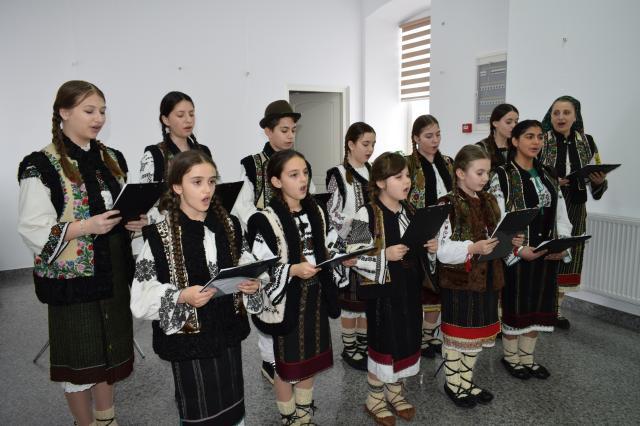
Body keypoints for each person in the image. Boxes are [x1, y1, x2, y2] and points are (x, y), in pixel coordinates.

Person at [18, 80, 145, 426]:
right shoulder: (40, 165)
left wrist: (135, 220)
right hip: (73, 279)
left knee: (110, 350)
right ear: (64, 112)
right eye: (90, 111)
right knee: (79, 356)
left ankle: (107, 419)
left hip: (114, 270)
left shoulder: (111, 158)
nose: (99, 118)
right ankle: (85, 424)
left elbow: (117, 208)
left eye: (102, 111)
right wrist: (85, 227)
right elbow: (33, 227)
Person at [131, 150, 263, 425]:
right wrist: (180, 296)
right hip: (189, 340)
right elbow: (141, 298)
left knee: (232, 406)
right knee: (200, 409)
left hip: (227, 331)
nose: (207, 189)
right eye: (197, 182)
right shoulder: (160, 236)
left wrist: (252, 281)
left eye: (212, 182)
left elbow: (246, 259)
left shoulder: (229, 225)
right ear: (177, 186)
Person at [247, 149, 343, 425]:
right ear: (276, 181)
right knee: (286, 366)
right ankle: (289, 417)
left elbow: (329, 244)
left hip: (315, 297)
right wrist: (291, 270)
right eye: (293, 175)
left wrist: (342, 258)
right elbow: (259, 267)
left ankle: (304, 412)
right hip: (286, 303)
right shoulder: (264, 220)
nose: (303, 180)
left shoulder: (317, 211)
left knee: (310, 360)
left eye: (305, 173)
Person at [346, 152, 437, 426]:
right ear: (382, 182)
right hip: (383, 294)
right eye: (399, 177)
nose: (407, 181)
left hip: (409, 290)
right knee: (385, 342)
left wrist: (431, 248)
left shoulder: (410, 211)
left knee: (408, 339)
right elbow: (351, 257)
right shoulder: (366, 214)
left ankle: (395, 392)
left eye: (408, 175)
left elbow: (418, 248)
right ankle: (374, 398)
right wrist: (385, 255)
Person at [231, 99, 316, 384]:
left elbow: (310, 196)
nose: (290, 135)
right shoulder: (252, 165)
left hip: (297, 241)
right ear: (268, 132)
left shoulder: (301, 162)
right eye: (283, 129)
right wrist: (266, 224)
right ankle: (270, 360)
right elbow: (242, 207)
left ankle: (295, 353)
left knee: (294, 301)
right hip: (265, 243)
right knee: (269, 299)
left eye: (293, 129)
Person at [436, 145, 522, 408]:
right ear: (460, 173)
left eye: (487, 172)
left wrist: (511, 241)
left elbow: (496, 236)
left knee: (475, 337)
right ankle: (453, 383)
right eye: (480, 172)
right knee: (459, 336)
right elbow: (442, 250)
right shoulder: (446, 204)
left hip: (488, 280)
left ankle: (465, 379)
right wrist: (471, 248)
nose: (485, 178)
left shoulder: (489, 200)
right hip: (460, 283)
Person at [489, 120, 572, 380]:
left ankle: (528, 357)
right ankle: (511, 357)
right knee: (518, 305)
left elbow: (560, 213)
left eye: (539, 137)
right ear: (514, 141)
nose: (536, 142)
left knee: (540, 306)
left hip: (546, 252)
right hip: (518, 254)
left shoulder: (547, 173)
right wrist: (516, 252)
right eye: (528, 136)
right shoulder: (501, 175)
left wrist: (563, 244)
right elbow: (496, 220)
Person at [539, 95, 608, 329]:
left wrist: (598, 181)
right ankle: (540, 308)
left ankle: (556, 311)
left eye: (566, 112)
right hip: (548, 206)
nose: (560, 117)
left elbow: (597, 174)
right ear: (550, 115)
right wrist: (551, 182)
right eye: (556, 112)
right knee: (546, 255)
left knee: (569, 259)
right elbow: (530, 173)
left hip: (576, 206)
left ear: (575, 116)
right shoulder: (541, 140)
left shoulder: (588, 142)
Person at [325, 122, 376, 371]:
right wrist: (359, 232)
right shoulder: (337, 174)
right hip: (348, 247)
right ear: (351, 144)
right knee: (351, 303)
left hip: (371, 247)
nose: (370, 149)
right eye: (365, 144)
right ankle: (349, 347)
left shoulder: (373, 171)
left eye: (373, 145)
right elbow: (333, 213)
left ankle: (364, 344)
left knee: (366, 301)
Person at [405, 115, 453, 359]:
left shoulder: (448, 162)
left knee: (439, 287)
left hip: (445, 232)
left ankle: (429, 334)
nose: (435, 140)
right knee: (421, 287)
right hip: (419, 233)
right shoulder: (408, 165)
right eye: (428, 136)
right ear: (415, 138)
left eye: (438, 134)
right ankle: (416, 335)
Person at [136, 91, 213, 241]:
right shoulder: (155, 154)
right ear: (166, 119)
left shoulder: (203, 151)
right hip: (169, 233)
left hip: (203, 228)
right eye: (180, 115)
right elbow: (147, 200)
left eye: (191, 114)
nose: (188, 120)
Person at [476, 103, 519, 174]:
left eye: (516, 122)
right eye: (508, 122)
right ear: (495, 123)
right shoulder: (481, 148)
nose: (514, 126)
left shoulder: (517, 146)